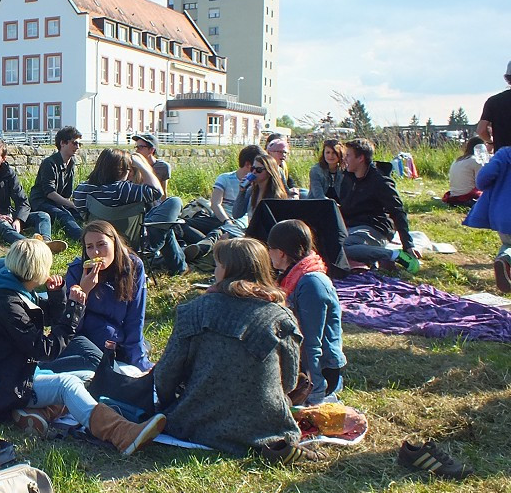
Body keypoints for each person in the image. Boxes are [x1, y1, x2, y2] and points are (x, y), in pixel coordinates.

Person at [0, 238, 165, 454]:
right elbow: (47, 350)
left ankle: (37, 413)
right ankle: (121, 434)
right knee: (67, 384)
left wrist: (57, 295)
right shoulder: (8, 307)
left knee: (86, 375)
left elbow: (48, 315)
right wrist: (76, 306)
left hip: (15, 375)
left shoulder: (13, 289)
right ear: (38, 269)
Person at [154, 238, 317, 462]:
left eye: (218, 265)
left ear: (229, 269)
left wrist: (167, 403)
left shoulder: (193, 310)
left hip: (193, 422)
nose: (215, 271)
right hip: (262, 427)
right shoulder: (282, 318)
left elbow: (166, 373)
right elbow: (288, 383)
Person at [266, 220, 347, 404]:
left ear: (281, 252)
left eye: (269, 248)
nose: (268, 254)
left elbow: (311, 343)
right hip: (303, 363)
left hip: (320, 373)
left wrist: (314, 394)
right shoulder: (292, 274)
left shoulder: (311, 283)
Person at [72, 149, 186, 274]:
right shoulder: (124, 189)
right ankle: (179, 267)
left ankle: (178, 266)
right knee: (174, 203)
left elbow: (84, 215)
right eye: (128, 170)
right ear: (122, 171)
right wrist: (141, 164)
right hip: (135, 244)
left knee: (164, 225)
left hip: (98, 242)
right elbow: (158, 191)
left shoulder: (82, 190)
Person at [63, 220, 152, 370]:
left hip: (117, 339)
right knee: (97, 361)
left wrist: (141, 364)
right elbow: (69, 328)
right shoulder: (77, 270)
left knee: (139, 350)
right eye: (89, 247)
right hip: (85, 339)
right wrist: (83, 291)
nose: (96, 252)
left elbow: (135, 318)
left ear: (114, 243)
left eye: (101, 244)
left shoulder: (133, 267)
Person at [338, 138, 422, 273]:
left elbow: (398, 211)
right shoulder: (348, 177)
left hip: (374, 227)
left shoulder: (380, 181)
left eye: (348, 155)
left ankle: (393, 255)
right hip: (351, 226)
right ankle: (370, 258)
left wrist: (408, 244)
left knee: (343, 248)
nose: (344, 159)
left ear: (360, 158)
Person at [0, 138, 55, 246]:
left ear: (3, 158)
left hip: (7, 214)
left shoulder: (9, 173)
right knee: (4, 225)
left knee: (43, 216)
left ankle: (46, 242)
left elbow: (23, 201)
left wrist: (18, 219)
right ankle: (29, 246)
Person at [463, 144, 511, 293]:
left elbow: (482, 181)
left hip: (503, 214)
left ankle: (504, 258)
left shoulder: (504, 154)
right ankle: (505, 260)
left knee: (508, 243)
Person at [29, 125, 84, 241]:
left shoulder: (71, 163)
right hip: (41, 201)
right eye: (74, 143)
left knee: (80, 214)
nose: (78, 147)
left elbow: (67, 193)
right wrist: (71, 205)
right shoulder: (49, 163)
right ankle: (82, 238)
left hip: (57, 202)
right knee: (64, 215)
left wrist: (74, 206)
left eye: (79, 144)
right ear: (62, 143)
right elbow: (49, 192)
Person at [232, 150, 288, 222]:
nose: (254, 172)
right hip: (251, 230)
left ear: (269, 172)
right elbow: (236, 214)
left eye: (259, 170)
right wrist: (242, 192)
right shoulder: (251, 191)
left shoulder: (277, 195)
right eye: (252, 169)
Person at [477, 60, 511, 152]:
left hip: (503, 157)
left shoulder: (493, 101)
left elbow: (481, 130)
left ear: (507, 78)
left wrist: (491, 142)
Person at [443, 136, 485, 206]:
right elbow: (481, 183)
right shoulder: (476, 161)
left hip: (454, 197)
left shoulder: (457, 160)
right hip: (468, 197)